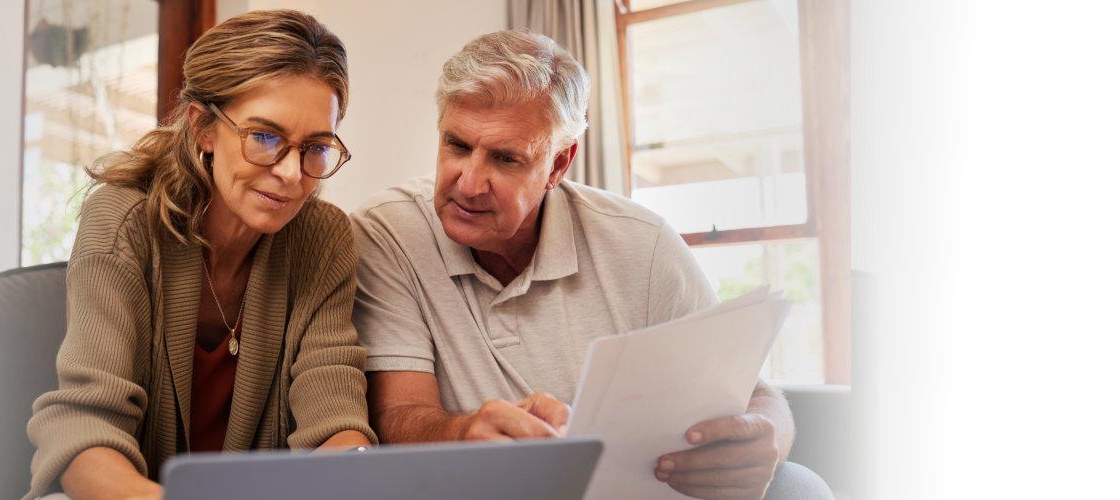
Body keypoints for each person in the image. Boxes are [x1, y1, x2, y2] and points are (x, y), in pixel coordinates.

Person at [352, 31, 833, 500]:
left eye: (505, 159)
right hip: (478, 489)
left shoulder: (641, 243)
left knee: (798, 486)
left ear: (558, 166)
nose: (470, 183)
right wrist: (463, 435)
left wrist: (764, 437)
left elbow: (754, 395)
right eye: (457, 146)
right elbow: (399, 413)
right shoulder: (387, 232)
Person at [23, 10, 375, 500]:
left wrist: (358, 471)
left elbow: (334, 414)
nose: (293, 174)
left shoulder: (324, 239)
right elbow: (85, 429)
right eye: (266, 137)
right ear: (203, 127)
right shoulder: (124, 220)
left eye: (315, 147)